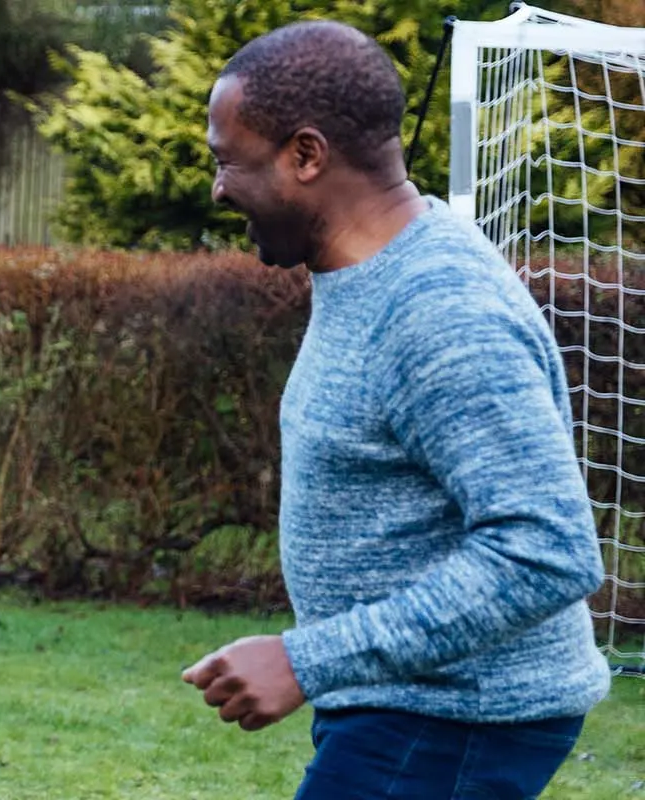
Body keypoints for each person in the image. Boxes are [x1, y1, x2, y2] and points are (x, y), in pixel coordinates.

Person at [180, 20, 610, 799]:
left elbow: (548, 549)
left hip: (455, 721)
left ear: (306, 156)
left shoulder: (439, 310)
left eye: (228, 162)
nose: (218, 187)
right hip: (409, 709)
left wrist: (307, 659)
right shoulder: (368, 272)